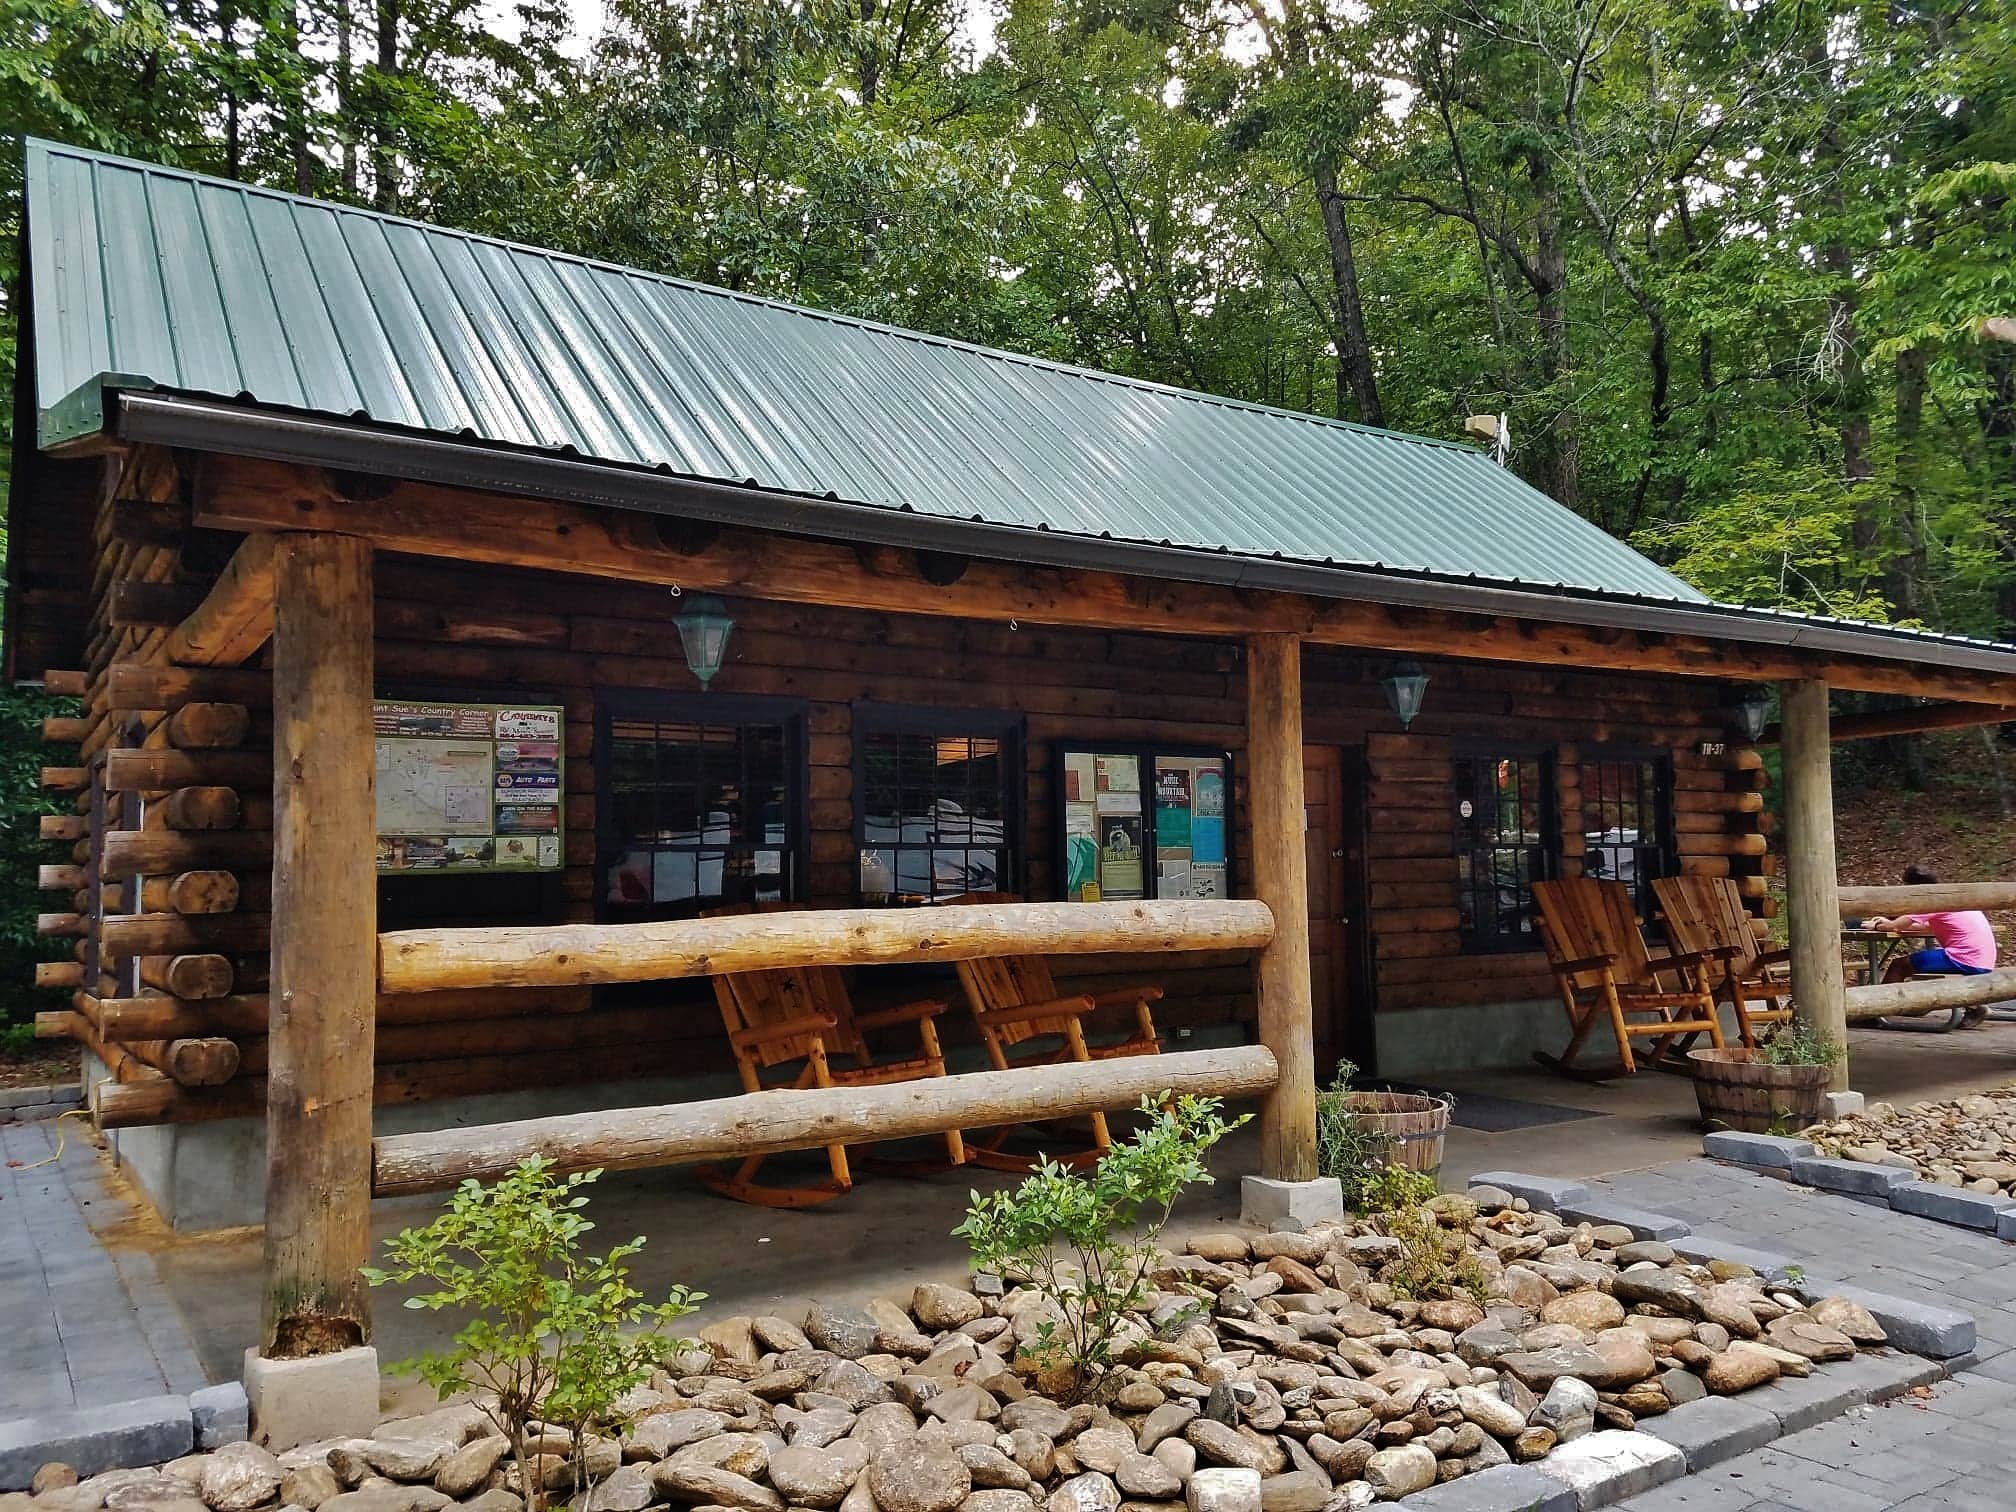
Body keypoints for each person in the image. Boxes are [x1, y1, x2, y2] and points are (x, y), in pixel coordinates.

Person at [1867, 864, 1998, 986]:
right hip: (1984, 961)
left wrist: (1878, 925)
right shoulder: (1952, 897)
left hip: (1964, 959)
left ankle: (1885, 1002)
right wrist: (1891, 924)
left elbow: (1894, 927)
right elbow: (1925, 927)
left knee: (1899, 965)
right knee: (1912, 963)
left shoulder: (1931, 901)